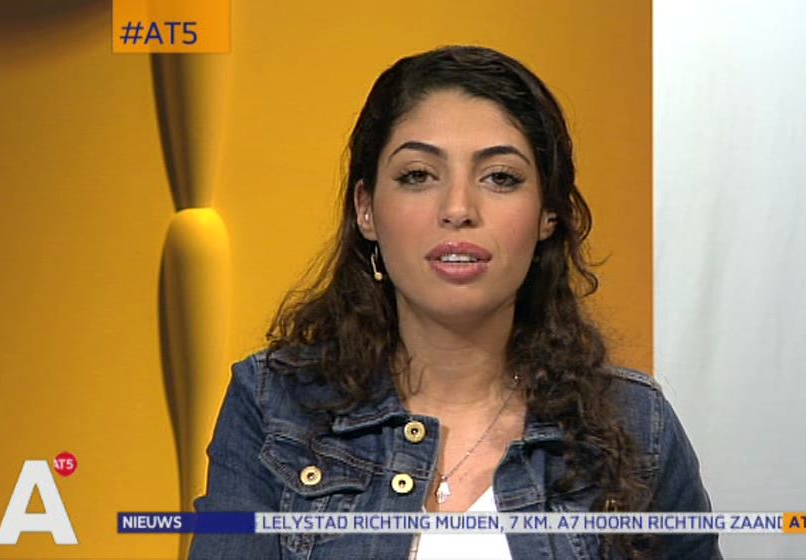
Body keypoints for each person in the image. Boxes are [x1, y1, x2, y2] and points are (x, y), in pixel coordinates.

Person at [190, 45, 721, 560]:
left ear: (547, 215)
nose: (459, 208)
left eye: (500, 178)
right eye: (418, 176)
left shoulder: (635, 423)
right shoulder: (275, 405)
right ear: (366, 209)